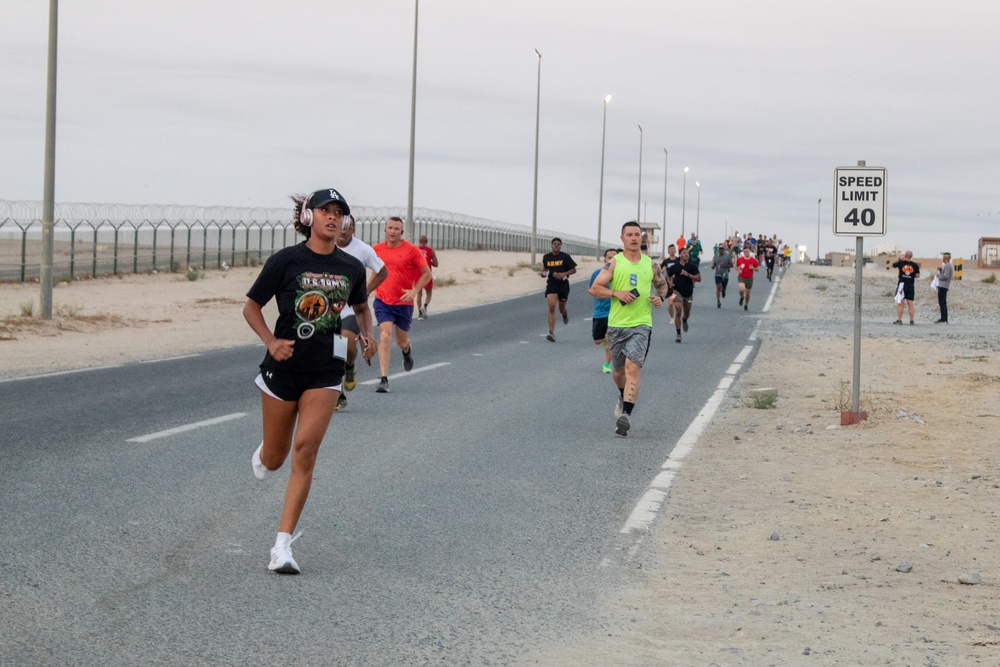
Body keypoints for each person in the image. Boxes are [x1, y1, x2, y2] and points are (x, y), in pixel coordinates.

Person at [243, 188, 376, 574]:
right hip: (282, 367)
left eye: (339, 213)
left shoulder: (351, 267)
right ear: (308, 217)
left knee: (306, 451)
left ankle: (281, 547)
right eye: (325, 211)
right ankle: (267, 450)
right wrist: (270, 341)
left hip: (325, 369)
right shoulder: (286, 260)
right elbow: (251, 306)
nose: (333, 218)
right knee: (275, 458)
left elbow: (362, 308)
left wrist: (366, 335)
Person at [588, 221, 668, 436]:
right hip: (616, 325)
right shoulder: (614, 263)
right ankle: (622, 395)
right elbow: (594, 289)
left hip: (642, 324)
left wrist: (659, 298)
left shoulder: (651, 265)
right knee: (619, 372)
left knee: (633, 368)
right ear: (622, 238)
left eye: (637, 235)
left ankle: (626, 416)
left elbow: (662, 285)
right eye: (629, 235)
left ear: (642, 239)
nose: (634, 238)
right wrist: (616, 293)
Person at [334, 214, 388, 410]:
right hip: (329, 310)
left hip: (351, 309)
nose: (343, 231)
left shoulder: (363, 250)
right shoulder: (325, 246)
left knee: (347, 347)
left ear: (353, 230)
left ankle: (350, 366)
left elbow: (383, 271)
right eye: (341, 227)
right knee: (334, 351)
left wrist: (364, 291)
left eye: (348, 228)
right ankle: (338, 394)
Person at [372, 216, 431, 392]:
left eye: (396, 229)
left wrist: (414, 291)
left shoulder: (412, 250)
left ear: (401, 232)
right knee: (384, 335)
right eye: (390, 228)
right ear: (385, 230)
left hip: (404, 303)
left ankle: (406, 350)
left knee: (401, 341)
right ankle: (384, 379)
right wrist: (366, 290)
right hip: (383, 300)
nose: (392, 232)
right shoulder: (376, 250)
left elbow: (426, 274)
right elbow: (375, 273)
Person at [540, 237, 577, 342]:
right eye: (555, 244)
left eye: (558, 244)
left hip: (563, 285)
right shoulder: (546, 257)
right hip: (552, 284)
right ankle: (551, 333)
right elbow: (546, 269)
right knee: (551, 307)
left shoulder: (565, 257)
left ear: (560, 246)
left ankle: (564, 314)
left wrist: (563, 274)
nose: (556, 246)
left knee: (561, 309)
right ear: (551, 245)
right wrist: (543, 274)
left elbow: (574, 270)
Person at [589, 248, 618, 373]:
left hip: (615, 312)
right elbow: (590, 289)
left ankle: (607, 364)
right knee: (598, 340)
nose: (611, 259)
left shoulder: (621, 274)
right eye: (609, 257)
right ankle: (611, 345)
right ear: (604, 259)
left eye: (614, 257)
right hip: (600, 312)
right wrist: (600, 294)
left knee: (610, 340)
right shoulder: (597, 274)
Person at [665, 246, 701, 342]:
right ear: (680, 255)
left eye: (687, 253)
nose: (686, 255)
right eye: (684, 253)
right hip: (677, 291)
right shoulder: (675, 267)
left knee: (687, 313)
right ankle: (678, 333)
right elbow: (668, 275)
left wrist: (688, 275)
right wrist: (670, 283)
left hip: (688, 293)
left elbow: (699, 278)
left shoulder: (692, 266)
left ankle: (684, 319)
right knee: (678, 309)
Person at [892, 250, 920, 325]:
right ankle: (911, 320)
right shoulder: (915, 265)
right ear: (911, 256)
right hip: (910, 285)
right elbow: (917, 275)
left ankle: (899, 319)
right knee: (910, 302)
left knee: (900, 303)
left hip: (902, 284)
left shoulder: (901, 263)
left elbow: (893, 265)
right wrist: (911, 275)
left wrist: (899, 259)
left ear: (905, 256)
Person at [415, 235, 438, 320]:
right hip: (427, 274)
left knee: (419, 294)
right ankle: (425, 306)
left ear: (419, 241)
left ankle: (420, 313)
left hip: (417, 274)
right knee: (429, 293)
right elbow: (436, 264)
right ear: (427, 242)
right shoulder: (430, 250)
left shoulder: (415, 250)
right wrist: (429, 262)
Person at [735, 245, 760, 311]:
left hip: (749, 278)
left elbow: (757, 269)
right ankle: (741, 297)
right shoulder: (740, 259)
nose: (746, 252)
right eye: (745, 251)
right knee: (741, 288)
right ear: (743, 252)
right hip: (741, 277)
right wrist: (738, 270)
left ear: (750, 252)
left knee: (748, 293)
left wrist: (753, 268)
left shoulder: (753, 260)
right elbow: (736, 266)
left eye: (747, 251)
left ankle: (746, 304)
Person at [659, 243, 680, 319]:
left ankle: (678, 316)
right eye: (670, 249)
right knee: (670, 303)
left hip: (678, 284)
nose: (671, 251)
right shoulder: (666, 261)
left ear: (675, 250)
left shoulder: (679, 260)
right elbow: (659, 273)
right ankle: (672, 318)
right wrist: (662, 271)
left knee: (677, 303)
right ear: (668, 251)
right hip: (669, 284)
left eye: (673, 249)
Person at [711, 243, 733, 309]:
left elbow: (731, 265)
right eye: (720, 249)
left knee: (724, 287)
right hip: (718, 274)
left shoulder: (727, 257)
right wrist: (713, 266)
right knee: (718, 287)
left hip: (725, 274)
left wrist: (725, 266)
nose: (721, 250)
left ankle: (723, 291)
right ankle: (718, 301)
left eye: (722, 249)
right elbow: (714, 264)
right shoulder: (716, 257)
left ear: (723, 250)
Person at [934, 252, 954, 323]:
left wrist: (938, 276)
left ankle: (944, 319)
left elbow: (945, 276)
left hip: (943, 286)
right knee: (942, 302)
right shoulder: (947, 266)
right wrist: (940, 270)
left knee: (942, 302)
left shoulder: (948, 266)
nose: (942, 258)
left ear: (945, 258)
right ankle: (943, 318)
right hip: (943, 286)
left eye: (943, 257)